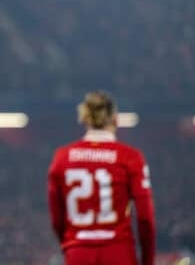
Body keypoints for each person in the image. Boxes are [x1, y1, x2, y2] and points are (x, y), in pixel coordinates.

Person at [47, 91, 156, 265]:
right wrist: (148, 261)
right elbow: (145, 218)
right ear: (115, 119)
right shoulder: (130, 157)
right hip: (118, 252)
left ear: (85, 119)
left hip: (78, 252)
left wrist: (70, 246)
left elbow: (57, 219)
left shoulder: (62, 158)